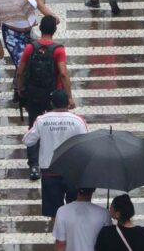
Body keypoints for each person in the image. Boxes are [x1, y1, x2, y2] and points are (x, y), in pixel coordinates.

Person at [17, 15, 74, 181]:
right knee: (53, 126)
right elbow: (63, 73)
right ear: (54, 30)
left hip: (33, 94)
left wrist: (20, 88)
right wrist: (69, 96)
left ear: (40, 29)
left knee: (34, 126)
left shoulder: (30, 47)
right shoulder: (58, 50)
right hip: (52, 95)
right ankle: (54, 160)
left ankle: (34, 166)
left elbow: (20, 71)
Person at [0, 0, 56, 105]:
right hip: (11, 33)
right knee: (21, 61)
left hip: (29, 32)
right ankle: (22, 90)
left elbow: (41, 6)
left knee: (31, 60)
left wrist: (53, 16)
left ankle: (18, 88)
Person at [23, 89, 88, 218]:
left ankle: (58, 235)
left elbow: (28, 141)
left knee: (54, 213)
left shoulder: (42, 120)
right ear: (67, 103)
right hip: (72, 171)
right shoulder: (78, 120)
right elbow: (86, 144)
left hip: (49, 171)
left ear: (51, 103)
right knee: (74, 209)